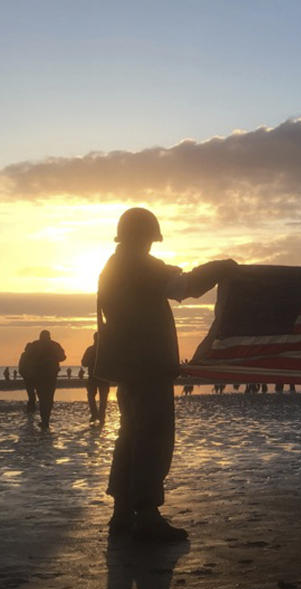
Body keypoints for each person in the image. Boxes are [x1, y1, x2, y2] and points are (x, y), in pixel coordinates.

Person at [97, 207, 235, 541]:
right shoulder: (139, 266)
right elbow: (183, 285)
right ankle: (145, 515)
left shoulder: (112, 267)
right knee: (152, 437)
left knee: (130, 435)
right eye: (148, 238)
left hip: (129, 367)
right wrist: (220, 269)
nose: (149, 244)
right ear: (144, 237)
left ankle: (121, 514)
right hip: (148, 365)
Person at [21, 331, 66, 427]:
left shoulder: (35, 345)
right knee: (49, 398)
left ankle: (44, 420)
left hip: (39, 376)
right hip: (50, 376)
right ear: (49, 337)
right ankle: (46, 420)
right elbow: (63, 357)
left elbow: (27, 357)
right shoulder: (54, 345)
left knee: (42, 398)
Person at [82, 333, 110, 424]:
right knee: (101, 398)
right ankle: (99, 415)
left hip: (97, 377)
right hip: (101, 378)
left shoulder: (91, 349)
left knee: (92, 397)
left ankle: (96, 415)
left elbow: (84, 363)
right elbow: (84, 363)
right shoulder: (106, 350)